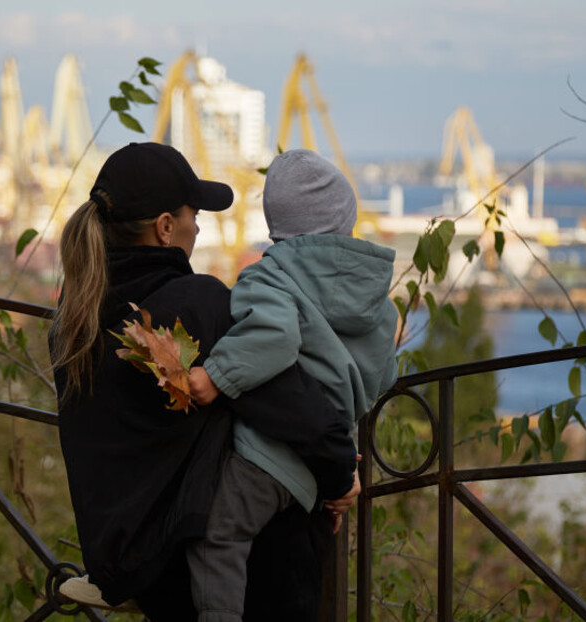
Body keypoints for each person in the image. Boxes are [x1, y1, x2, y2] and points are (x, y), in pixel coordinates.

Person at [50, 142, 360, 620]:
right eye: (194, 214)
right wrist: (341, 473)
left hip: (146, 572)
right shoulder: (196, 302)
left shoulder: (75, 317)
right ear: (166, 227)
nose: (199, 227)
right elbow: (290, 405)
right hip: (237, 574)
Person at [188, 148, 399, 622]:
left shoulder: (271, 277)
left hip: (269, 455)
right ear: (346, 220)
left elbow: (275, 338)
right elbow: (384, 374)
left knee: (218, 536)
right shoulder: (376, 298)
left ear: (276, 225)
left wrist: (215, 376)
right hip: (324, 462)